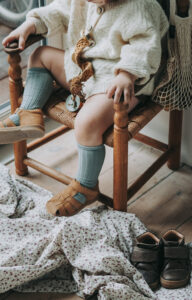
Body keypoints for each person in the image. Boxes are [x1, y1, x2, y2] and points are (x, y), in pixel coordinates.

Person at [0, 0, 169, 216]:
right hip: (82, 70)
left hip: (118, 81)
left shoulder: (140, 6)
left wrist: (127, 74)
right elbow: (57, 11)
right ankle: (28, 112)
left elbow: (145, 45)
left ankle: (86, 186)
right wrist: (31, 25)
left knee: (86, 124)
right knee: (40, 56)